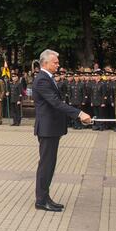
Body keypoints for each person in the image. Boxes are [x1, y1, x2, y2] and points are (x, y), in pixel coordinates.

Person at [33, 49, 91, 212]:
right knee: (46, 165)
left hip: (51, 128)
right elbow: (56, 103)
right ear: (45, 63)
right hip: (47, 129)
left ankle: (44, 197)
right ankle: (41, 200)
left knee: (48, 164)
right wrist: (79, 114)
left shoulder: (47, 78)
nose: (58, 65)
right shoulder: (42, 80)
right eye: (55, 62)